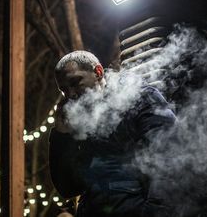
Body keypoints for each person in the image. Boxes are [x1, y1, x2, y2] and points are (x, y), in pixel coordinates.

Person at [49, 51, 176, 217]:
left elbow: (168, 163)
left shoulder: (140, 98)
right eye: (64, 90)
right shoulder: (79, 120)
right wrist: (61, 135)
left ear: (98, 72)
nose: (71, 94)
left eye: (75, 82)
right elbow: (68, 188)